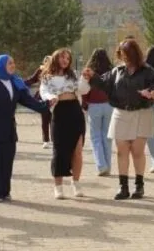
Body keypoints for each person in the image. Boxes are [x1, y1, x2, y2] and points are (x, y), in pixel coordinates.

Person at [84, 39, 154, 200]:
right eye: (121, 53)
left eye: (127, 54)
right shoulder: (116, 71)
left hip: (142, 113)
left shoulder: (148, 71)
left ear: (134, 54)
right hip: (121, 113)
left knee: (137, 151)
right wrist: (92, 76)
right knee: (121, 151)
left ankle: (139, 186)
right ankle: (123, 187)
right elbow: (103, 84)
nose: (124, 57)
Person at [0, 55, 50, 202]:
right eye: (9, 63)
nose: (13, 65)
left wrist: (46, 106)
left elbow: (27, 100)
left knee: (7, 160)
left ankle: (4, 191)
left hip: (8, 128)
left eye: (13, 63)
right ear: (0, 66)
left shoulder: (15, 81)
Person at [41, 48, 90, 199]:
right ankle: (58, 187)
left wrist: (85, 79)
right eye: (62, 57)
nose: (65, 61)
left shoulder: (72, 75)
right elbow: (44, 92)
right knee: (59, 151)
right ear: (56, 59)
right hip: (59, 113)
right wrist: (51, 97)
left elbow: (83, 90)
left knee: (78, 151)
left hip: (75, 112)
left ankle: (76, 183)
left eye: (68, 58)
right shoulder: (47, 77)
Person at [82, 49, 114, 177]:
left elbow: (84, 90)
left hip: (94, 105)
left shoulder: (89, 72)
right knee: (107, 136)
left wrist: (85, 104)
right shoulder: (111, 71)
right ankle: (108, 166)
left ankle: (101, 166)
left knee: (96, 136)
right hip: (109, 105)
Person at [24, 56, 53, 149]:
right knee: (45, 119)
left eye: (49, 61)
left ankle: (55, 140)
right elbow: (32, 79)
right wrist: (21, 84)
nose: (47, 63)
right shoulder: (41, 70)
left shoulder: (57, 71)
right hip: (43, 98)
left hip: (54, 98)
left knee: (54, 120)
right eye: (45, 61)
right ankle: (46, 140)